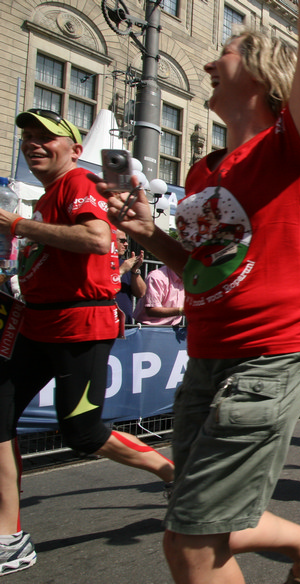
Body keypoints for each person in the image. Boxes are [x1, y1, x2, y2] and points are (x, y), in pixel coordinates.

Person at [95, 6, 300, 582]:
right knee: (194, 515)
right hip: (206, 357)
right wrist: (149, 234)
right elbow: (200, 271)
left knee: (191, 543)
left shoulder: (290, 145)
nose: (207, 63)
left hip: (272, 353)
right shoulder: (202, 174)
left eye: (224, 53)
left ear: (259, 72)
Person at [0, 109, 174, 576]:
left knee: (83, 433)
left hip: (79, 324)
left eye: (46, 138)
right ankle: (8, 536)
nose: (33, 144)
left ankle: (172, 474)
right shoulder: (49, 195)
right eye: (28, 137)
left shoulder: (77, 182)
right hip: (35, 322)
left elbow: (97, 239)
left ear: (75, 150)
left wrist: (15, 225)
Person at [114, 231, 146, 324]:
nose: (126, 244)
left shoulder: (126, 264)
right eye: (122, 241)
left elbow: (141, 293)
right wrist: (121, 270)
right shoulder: (99, 263)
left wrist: (134, 270)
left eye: (126, 241)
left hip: (126, 325)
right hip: (106, 323)